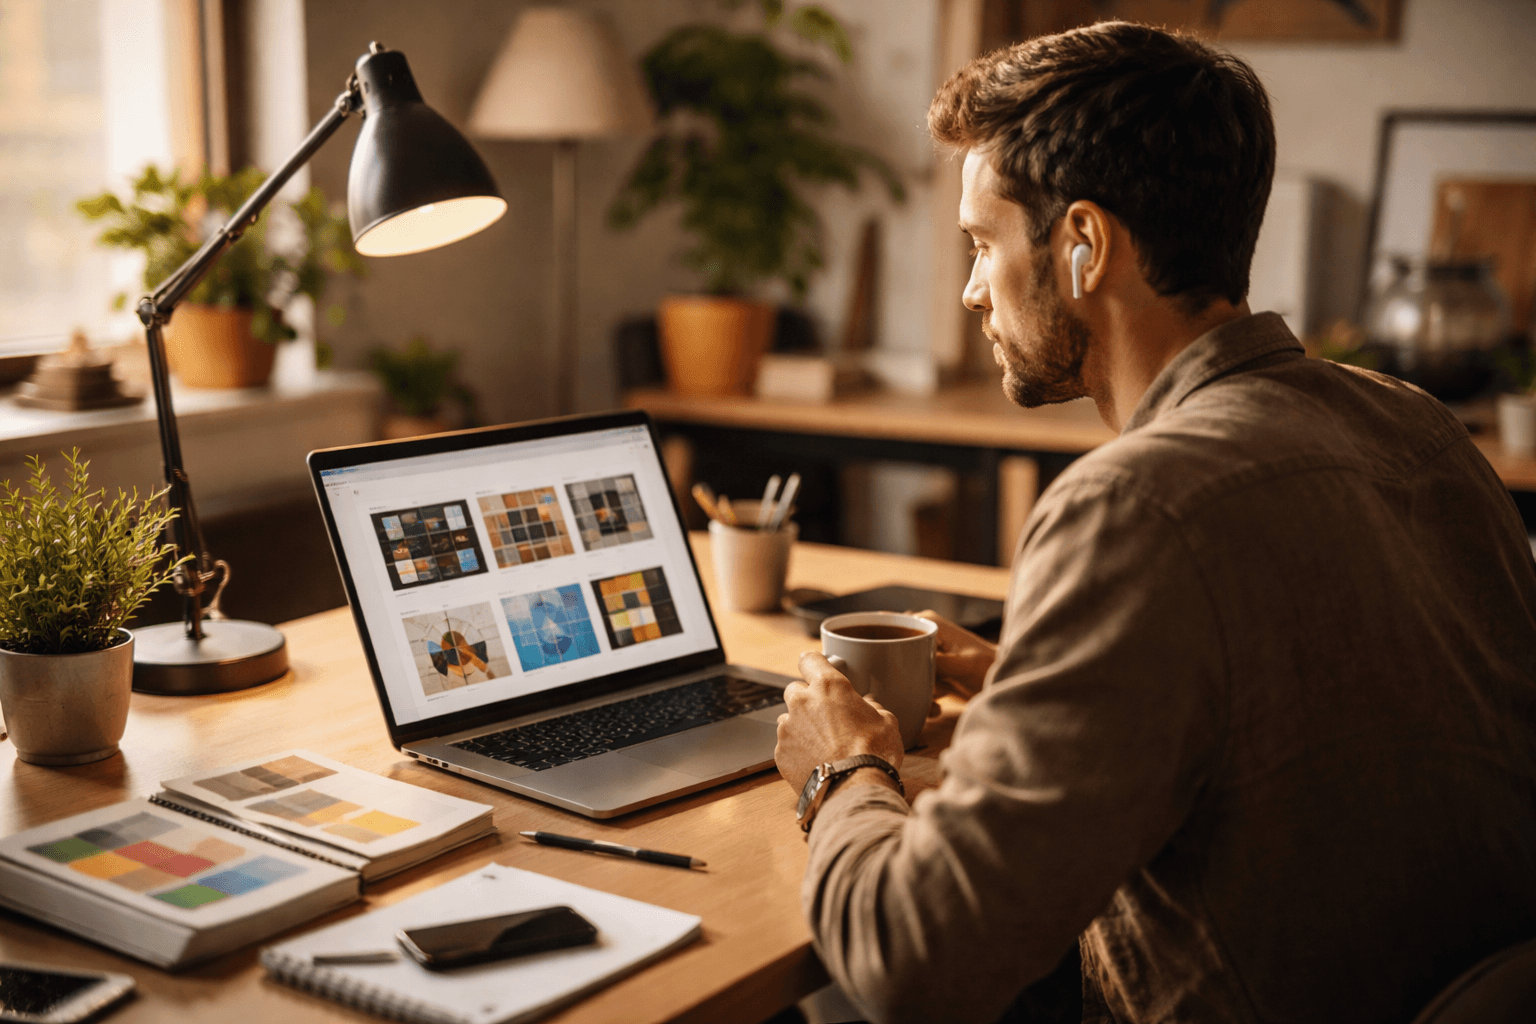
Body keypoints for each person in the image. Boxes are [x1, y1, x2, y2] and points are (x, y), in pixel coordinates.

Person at [773, 20, 1536, 1024]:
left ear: (1085, 246)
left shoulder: (1134, 504)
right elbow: (1324, 738)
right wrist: (1034, 684)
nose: (969, 290)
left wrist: (843, 763)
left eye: (982, 244)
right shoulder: (1419, 430)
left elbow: (912, 962)